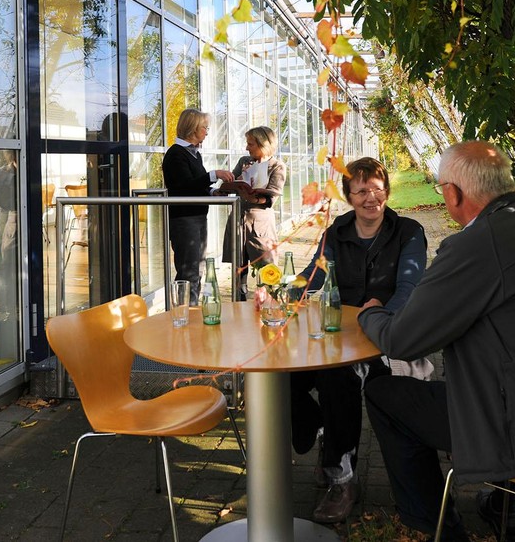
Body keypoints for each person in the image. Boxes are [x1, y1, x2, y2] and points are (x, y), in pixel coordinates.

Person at [360, 141, 515, 542]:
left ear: (453, 194)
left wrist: (369, 313)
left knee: (384, 393)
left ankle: (439, 528)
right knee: (508, 363)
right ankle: (504, 508)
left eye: (440, 190)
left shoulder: (479, 243)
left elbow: (403, 340)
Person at [290, 157, 429, 524]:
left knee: (338, 379)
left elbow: (410, 287)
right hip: (339, 334)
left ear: (388, 191)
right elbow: (314, 275)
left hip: (385, 337)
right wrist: (282, 292)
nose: (372, 197)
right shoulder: (337, 232)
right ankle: (318, 429)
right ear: (349, 196)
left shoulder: (409, 232)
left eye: (378, 188)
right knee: (283, 375)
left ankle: (343, 479)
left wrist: (382, 318)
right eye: (362, 190)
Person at [162, 109, 234, 305]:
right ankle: (184, 315)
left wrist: (212, 192)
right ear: (193, 129)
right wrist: (213, 174)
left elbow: (194, 186)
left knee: (197, 268)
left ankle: (191, 311)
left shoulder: (193, 154)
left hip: (197, 217)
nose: (207, 132)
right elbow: (184, 187)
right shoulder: (175, 154)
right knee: (188, 270)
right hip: (184, 220)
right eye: (205, 127)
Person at [222, 126, 286, 300]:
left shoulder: (277, 166)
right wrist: (229, 183)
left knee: (267, 270)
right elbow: (232, 183)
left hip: (260, 225)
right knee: (238, 270)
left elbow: (272, 196)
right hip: (238, 221)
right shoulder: (244, 162)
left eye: (250, 144)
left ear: (263, 145)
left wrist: (252, 197)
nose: (246, 148)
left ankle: (271, 308)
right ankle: (239, 309)